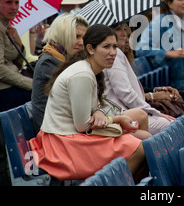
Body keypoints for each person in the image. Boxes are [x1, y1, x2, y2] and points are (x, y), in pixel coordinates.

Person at [29, 24, 147, 181]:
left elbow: (90, 111)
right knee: (140, 146)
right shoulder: (83, 75)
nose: (113, 52)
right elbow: (82, 125)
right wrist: (116, 119)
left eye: (114, 46)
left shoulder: (90, 70)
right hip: (62, 144)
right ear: (91, 49)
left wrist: (98, 111)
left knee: (142, 127)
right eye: (106, 47)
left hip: (71, 136)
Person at [103, 23, 177, 135]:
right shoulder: (115, 54)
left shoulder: (118, 54)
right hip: (123, 116)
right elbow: (125, 92)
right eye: (119, 30)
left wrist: (155, 92)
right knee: (173, 126)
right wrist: (154, 112)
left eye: (126, 32)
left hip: (128, 112)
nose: (124, 35)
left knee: (174, 124)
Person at [31, 13, 89, 132]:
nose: (81, 42)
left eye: (84, 38)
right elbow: (76, 99)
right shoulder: (48, 62)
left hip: (66, 126)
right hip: (53, 133)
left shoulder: (67, 58)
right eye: (76, 36)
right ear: (63, 36)